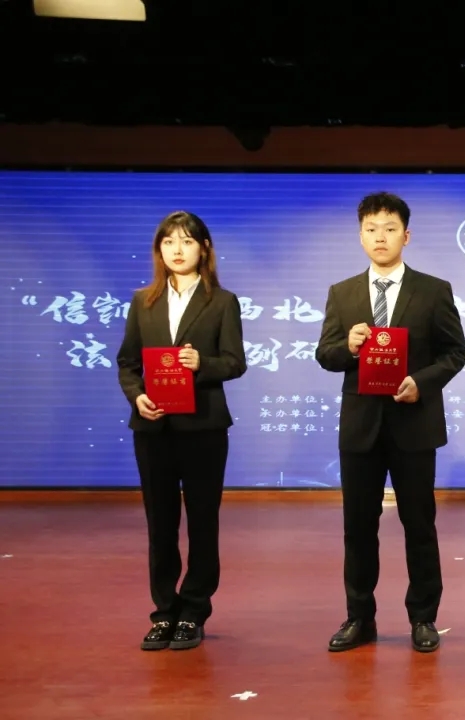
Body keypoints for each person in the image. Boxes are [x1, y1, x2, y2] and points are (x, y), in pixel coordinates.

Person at [316, 191, 465, 654]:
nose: (380, 237)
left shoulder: (433, 290)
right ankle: (359, 617)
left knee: (419, 524)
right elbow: (325, 355)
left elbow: (455, 352)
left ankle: (423, 617)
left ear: (407, 235)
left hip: (414, 424)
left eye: (389, 228)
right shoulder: (342, 293)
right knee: (358, 527)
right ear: (360, 236)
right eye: (371, 229)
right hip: (360, 428)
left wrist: (422, 382)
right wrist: (348, 347)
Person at [116, 211, 247, 651]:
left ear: (204, 249)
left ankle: (193, 610)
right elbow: (128, 363)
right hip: (153, 427)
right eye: (169, 241)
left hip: (203, 427)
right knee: (160, 522)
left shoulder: (222, 301)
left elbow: (235, 362)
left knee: (203, 521)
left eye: (187, 241)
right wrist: (137, 396)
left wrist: (201, 364)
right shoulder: (143, 301)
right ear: (159, 250)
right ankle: (163, 611)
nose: (177, 249)